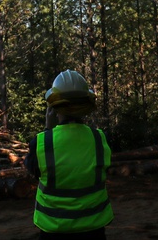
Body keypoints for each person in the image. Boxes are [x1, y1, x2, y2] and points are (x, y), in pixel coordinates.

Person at [25, 69, 113, 239]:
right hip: (93, 228)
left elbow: (34, 171)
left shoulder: (43, 142)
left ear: (54, 107)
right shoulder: (100, 139)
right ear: (86, 106)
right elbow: (103, 171)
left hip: (54, 228)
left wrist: (47, 128)